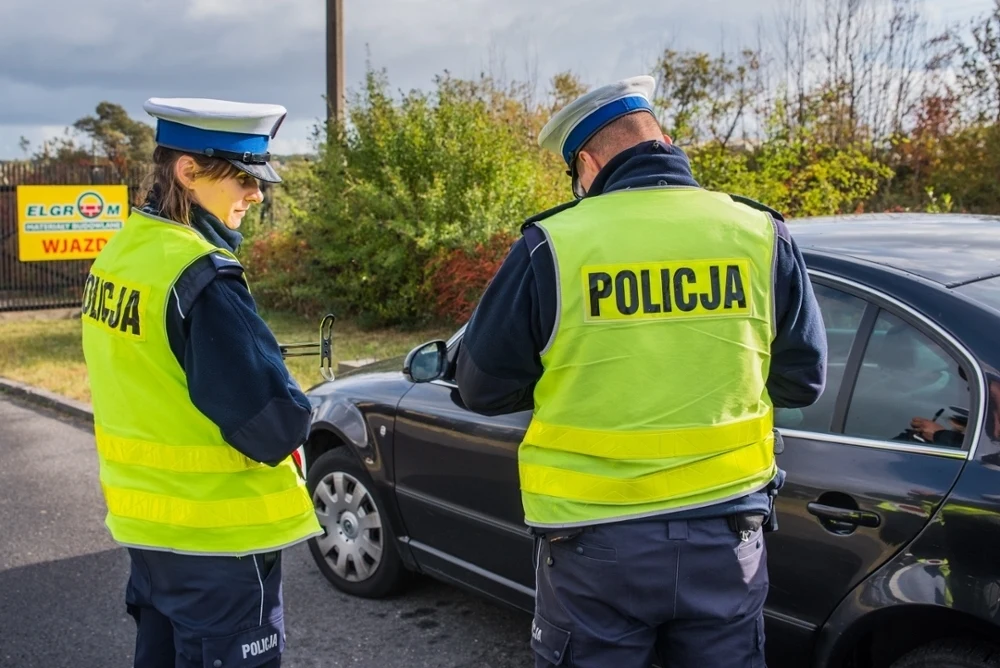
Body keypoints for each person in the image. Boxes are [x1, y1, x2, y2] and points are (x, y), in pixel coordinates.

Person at [455, 76, 828, 668]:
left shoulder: (552, 244)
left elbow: (480, 388)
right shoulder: (760, 233)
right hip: (728, 533)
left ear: (586, 164)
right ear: (666, 142)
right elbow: (802, 381)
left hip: (595, 543)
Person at [81, 98, 322, 668]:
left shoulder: (122, 253)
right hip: (219, 543)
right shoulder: (201, 275)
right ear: (188, 171)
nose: (256, 194)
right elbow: (273, 425)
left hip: (150, 534)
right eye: (243, 177)